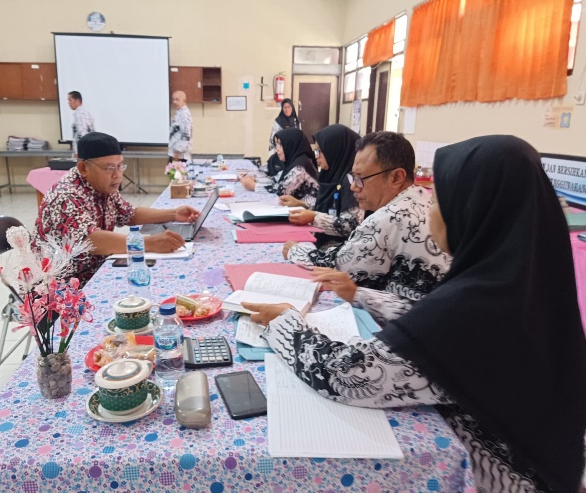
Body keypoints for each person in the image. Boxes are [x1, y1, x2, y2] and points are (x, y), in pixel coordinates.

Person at [244, 135, 586, 493]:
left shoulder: (473, 308)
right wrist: (362, 295)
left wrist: (285, 321)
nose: (429, 208)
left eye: (440, 198)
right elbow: (423, 314)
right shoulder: (526, 281)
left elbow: (345, 374)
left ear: (473, 210)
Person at [284, 131, 450, 324]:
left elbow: (337, 267)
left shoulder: (390, 217)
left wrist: (295, 250)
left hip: (420, 324)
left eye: (361, 178)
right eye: (353, 177)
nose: (354, 187)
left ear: (396, 177)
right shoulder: (420, 196)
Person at [33, 132, 199, 285]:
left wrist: (174, 213)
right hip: (61, 288)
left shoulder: (102, 186)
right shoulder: (65, 195)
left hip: (95, 272)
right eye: (109, 168)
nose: (117, 174)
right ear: (83, 168)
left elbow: (129, 214)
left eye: (120, 166)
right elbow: (91, 239)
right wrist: (149, 243)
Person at [279, 124, 364, 250]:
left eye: (320, 151)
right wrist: (303, 204)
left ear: (334, 150)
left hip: (340, 250)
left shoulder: (351, 181)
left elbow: (351, 225)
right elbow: (329, 208)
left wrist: (314, 217)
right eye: (315, 151)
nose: (316, 156)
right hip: (321, 241)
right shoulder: (329, 175)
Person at [240, 128, 319, 207]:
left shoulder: (301, 166)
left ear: (289, 144)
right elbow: (265, 172)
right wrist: (249, 176)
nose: (277, 149)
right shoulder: (288, 159)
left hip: (308, 209)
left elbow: (282, 191)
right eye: (276, 144)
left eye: (281, 144)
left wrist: (254, 186)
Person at [68, 91, 95, 157]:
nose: (68, 103)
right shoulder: (86, 112)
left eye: (70, 100)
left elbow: (81, 134)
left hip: (83, 151)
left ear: (77, 101)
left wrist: (77, 152)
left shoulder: (79, 114)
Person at [169, 91, 192, 162]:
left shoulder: (184, 114)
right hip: (174, 152)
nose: (174, 102)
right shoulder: (179, 112)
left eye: (177, 99)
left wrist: (178, 153)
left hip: (180, 155)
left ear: (184, 100)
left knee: (175, 170)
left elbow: (186, 135)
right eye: (173, 99)